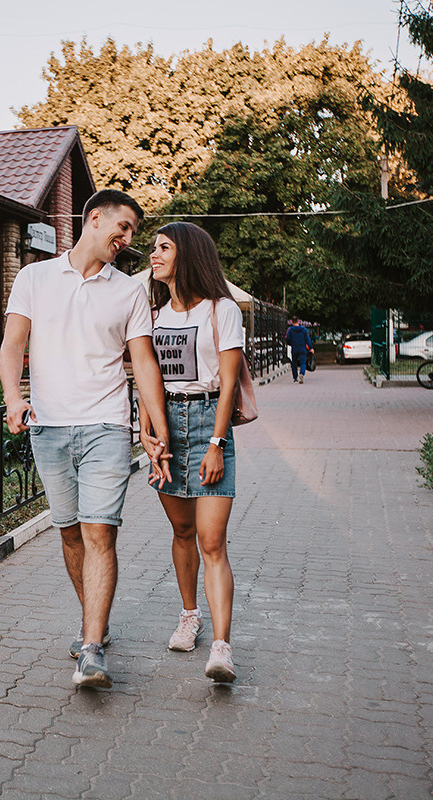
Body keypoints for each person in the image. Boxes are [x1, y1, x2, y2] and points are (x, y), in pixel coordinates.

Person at [0, 189, 170, 690]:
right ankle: (93, 621)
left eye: (133, 233)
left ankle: (92, 649)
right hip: (48, 426)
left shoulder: (129, 292)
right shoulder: (34, 278)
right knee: (70, 532)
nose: (127, 239)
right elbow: (12, 345)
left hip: (106, 427)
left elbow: (143, 363)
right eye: (122, 228)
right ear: (94, 219)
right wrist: (14, 398)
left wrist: (152, 427)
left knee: (100, 532)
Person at [139, 221, 243, 683]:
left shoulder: (222, 311)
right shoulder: (155, 316)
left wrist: (217, 444)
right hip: (167, 428)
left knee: (211, 540)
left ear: (187, 253)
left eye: (162, 248)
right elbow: (148, 379)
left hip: (206, 423)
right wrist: (146, 430)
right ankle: (189, 615)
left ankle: (221, 648)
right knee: (182, 531)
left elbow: (229, 385)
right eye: (152, 248)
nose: (153, 255)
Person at [285, 318, 312, 383]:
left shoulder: (290, 330)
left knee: (294, 363)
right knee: (303, 363)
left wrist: (290, 343)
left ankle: (295, 377)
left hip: (294, 348)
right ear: (298, 321)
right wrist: (311, 348)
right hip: (302, 348)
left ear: (291, 322)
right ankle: (301, 373)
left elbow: (287, 339)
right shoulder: (304, 329)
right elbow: (307, 339)